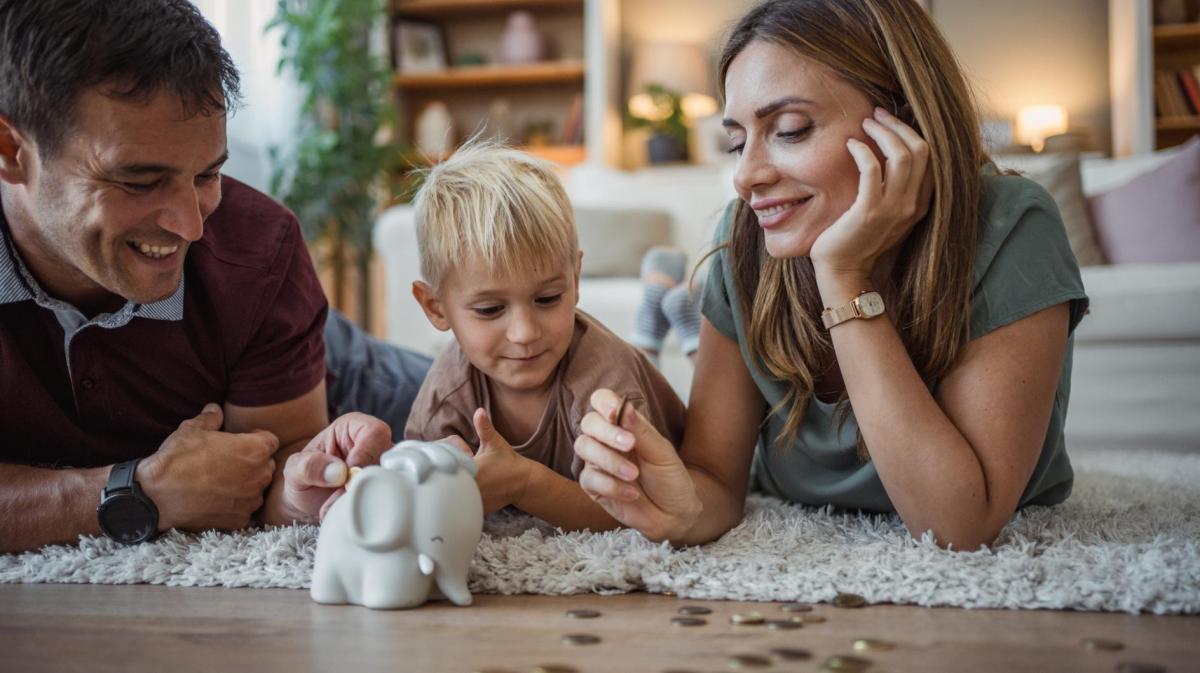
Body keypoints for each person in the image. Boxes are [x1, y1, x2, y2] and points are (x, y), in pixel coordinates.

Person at [572, 0, 1090, 551]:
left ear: (903, 121)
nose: (747, 176)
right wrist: (671, 505)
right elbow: (717, 486)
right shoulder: (746, 237)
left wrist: (843, 275)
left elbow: (957, 527)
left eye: (790, 130)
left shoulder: (1012, 225)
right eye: (737, 141)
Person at [0, 0, 415, 553]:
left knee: (511, 408)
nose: (191, 227)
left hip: (332, 371)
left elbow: (277, 467)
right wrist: (137, 490)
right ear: (12, 150)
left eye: (207, 174)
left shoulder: (256, 245)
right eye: (140, 181)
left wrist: (299, 485)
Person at [405, 141, 686, 531]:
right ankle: (651, 321)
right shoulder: (446, 394)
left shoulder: (605, 384)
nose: (524, 333)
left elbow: (637, 515)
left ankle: (667, 327)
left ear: (575, 279)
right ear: (436, 307)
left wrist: (524, 483)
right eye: (490, 310)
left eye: (548, 298)